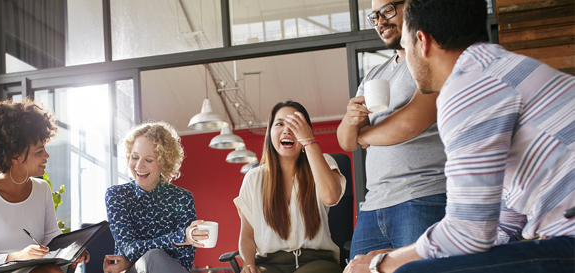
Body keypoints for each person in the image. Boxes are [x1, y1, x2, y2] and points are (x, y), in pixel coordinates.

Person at [344, 0, 575, 272]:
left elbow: (468, 233)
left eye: (406, 48)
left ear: (422, 41)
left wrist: (381, 264)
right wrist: (405, 254)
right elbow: (507, 220)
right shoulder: (499, 67)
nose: (406, 57)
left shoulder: (468, 88)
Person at [337, 0, 447, 259]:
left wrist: (364, 135)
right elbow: (346, 142)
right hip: (374, 203)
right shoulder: (374, 74)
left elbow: (411, 123)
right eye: (374, 16)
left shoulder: (430, 56)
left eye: (388, 10)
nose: (380, 22)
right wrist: (352, 119)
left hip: (422, 193)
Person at [0, 98, 89, 273]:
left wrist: (73, 249)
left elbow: (52, 236)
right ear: (15, 155)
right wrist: (17, 255)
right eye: (39, 151)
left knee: (52, 270)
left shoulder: (41, 188)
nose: (47, 156)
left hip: (28, 269)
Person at [235, 100, 346, 273]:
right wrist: (248, 265)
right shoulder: (253, 178)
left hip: (317, 263)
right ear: (270, 132)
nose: (287, 130)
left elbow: (331, 196)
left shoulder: (323, 164)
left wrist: (309, 141)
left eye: (295, 124)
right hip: (269, 264)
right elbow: (247, 235)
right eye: (279, 124)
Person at [103, 121, 208, 273]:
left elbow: (183, 262)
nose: (139, 166)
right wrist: (179, 237)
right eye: (134, 157)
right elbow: (128, 250)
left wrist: (129, 262)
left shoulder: (182, 198)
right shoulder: (117, 195)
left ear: (164, 163)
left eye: (149, 160)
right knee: (153, 256)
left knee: (154, 257)